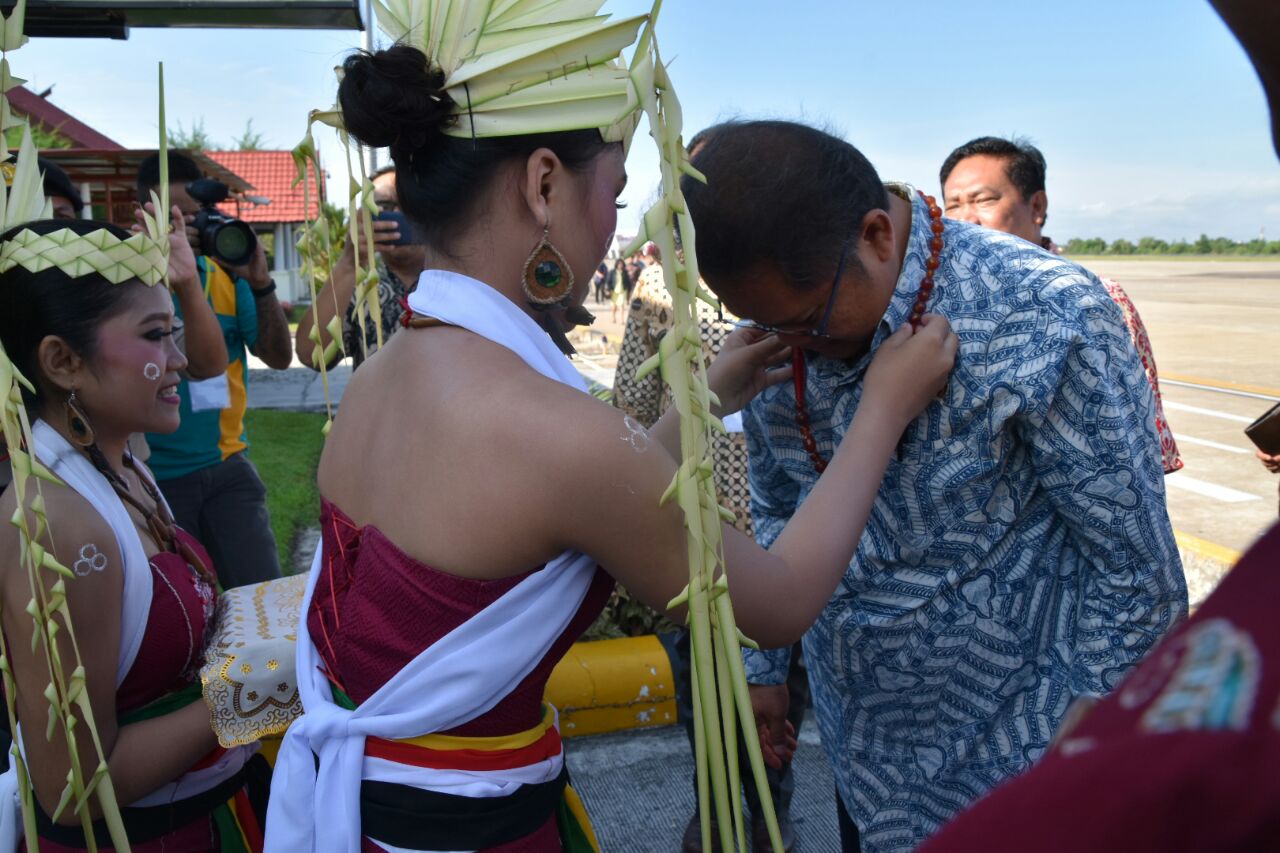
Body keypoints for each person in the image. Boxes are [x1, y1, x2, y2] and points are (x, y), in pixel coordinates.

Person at [263, 36, 957, 853]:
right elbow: (776, 602)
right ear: (545, 184)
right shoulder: (555, 430)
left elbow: (571, 508)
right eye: (615, 195)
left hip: (381, 806)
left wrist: (701, 399)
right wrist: (881, 408)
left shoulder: (387, 370)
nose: (613, 227)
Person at [681, 120, 1187, 853]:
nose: (791, 341)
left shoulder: (1043, 312)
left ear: (877, 236)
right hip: (867, 757)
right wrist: (763, 666)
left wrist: (1090, 728)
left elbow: (1135, 569)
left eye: (809, 323)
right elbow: (776, 498)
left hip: (1020, 760)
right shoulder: (779, 328)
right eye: (762, 320)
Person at [0, 215, 270, 851]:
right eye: (155, 336)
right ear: (62, 361)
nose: (179, 359)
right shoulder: (58, 525)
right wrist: (255, 692)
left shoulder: (124, 466)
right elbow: (71, 790)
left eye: (172, 332)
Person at [615, 247, 810, 852]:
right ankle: (715, 812)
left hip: (785, 538)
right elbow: (633, 403)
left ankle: (770, 819)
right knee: (705, 699)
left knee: (778, 707)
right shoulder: (658, 283)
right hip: (696, 538)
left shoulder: (798, 264)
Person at [939, 136, 1182, 474]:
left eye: (984, 201)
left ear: (1036, 207)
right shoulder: (939, 308)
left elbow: (1142, 439)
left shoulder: (1096, 298)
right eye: (953, 205)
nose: (966, 220)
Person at [135, 151, 293, 589]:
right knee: (184, 616)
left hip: (227, 466)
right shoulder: (128, 285)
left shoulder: (227, 277)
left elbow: (279, 357)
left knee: (263, 601)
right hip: (155, 477)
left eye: (194, 217)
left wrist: (260, 282)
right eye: (174, 220)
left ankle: (245, 665)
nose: (187, 232)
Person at [295, 166, 427, 371]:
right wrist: (349, 262)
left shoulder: (458, 280)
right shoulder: (359, 287)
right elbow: (311, 354)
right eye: (384, 206)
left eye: (409, 202)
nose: (398, 214)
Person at [609, 256, 631, 323]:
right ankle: (613, 318)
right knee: (613, 306)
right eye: (619, 264)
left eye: (621, 264)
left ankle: (622, 320)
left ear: (623, 265)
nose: (620, 265)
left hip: (622, 291)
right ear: (616, 264)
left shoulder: (625, 272)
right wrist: (608, 290)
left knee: (621, 305)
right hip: (614, 291)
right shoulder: (612, 272)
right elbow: (608, 281)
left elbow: (628, 282)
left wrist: (629, 291)